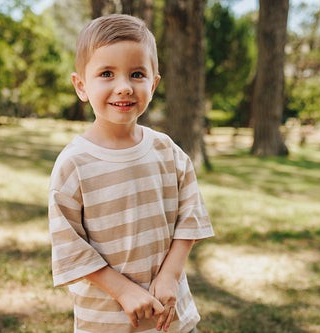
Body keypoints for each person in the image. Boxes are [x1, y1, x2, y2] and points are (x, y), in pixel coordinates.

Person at [48, 14, 214, 333]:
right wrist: (123, 290)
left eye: (137, 74)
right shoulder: (73, 164)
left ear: (153, 84)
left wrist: (170, 275)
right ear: (81, 85)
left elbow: (190, 215)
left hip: (171, 315)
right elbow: (70, 246)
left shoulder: (168, 151)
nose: (123, 87)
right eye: (106, 73)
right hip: (107, 320)